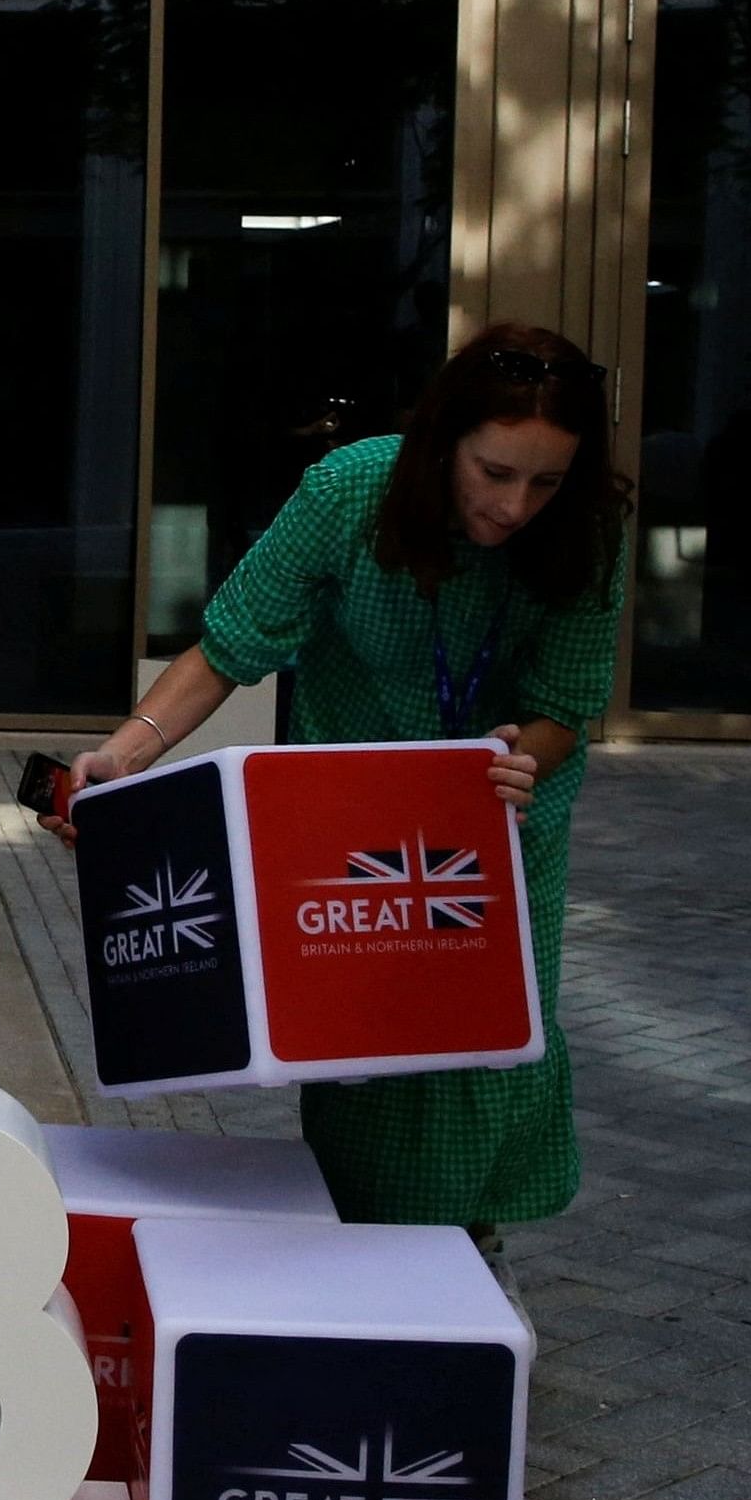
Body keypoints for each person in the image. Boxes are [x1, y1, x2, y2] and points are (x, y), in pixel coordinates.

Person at [40, 323, 631, 1251]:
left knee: (483, 1043)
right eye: (494, 471)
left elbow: (566, 703)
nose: (516, 505)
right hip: (347, 819)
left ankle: (470, 1251)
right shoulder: (351, 490)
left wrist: (533, 751)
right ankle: (364, 1254)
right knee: (360, 1041)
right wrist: (129, 750)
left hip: (499, 819)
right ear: (443, 444)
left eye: (546, 481)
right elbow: (232, 642)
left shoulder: (591, 534)